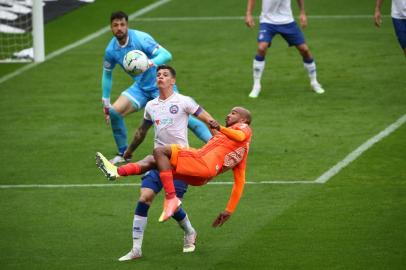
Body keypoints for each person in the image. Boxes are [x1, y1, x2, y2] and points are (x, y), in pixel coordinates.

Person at [96, 65, 215, 261]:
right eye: (158, 75)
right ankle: (136, 249)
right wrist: (129, 150)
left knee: (174, 206)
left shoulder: (184, 101)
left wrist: (221, 138)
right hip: (159, 162)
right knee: (144, 198)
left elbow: (208, 119)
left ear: (173, 81)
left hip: (180, 162)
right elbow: (141, 131)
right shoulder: (151, 105)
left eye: (165, 75)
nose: (160, 77)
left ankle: (189, 231)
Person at [97, 106, 252, 227]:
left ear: (243, 120)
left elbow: (239, 135)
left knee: (160, 151)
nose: (228, 115)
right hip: (201, 176)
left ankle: (171, 199)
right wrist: (229, 210)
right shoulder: (239, 151)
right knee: (153, 160)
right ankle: (116, 171)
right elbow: (240, 182)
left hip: (200, 162)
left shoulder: (243, 129)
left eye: (234, 113)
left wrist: (220, 127)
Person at [102, 11, 211, 164]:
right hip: (140, 87)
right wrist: (105, 101)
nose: (119, 28)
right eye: (115, 25)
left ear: (127, 26)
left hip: (160, 86)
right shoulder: (111, 50)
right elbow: (107, 74)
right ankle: (123, 153)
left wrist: (150, 63)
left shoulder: (141, 38)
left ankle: (214, 144)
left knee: (187, 120)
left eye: (122, 24)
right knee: (114, 112)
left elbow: (166, 55)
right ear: (111, 27)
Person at [245, 0, 325, 98]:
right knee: (262, 48)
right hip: (267, 21)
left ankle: (314, 82)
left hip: (287, 21)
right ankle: (256, 85)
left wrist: (302, 12)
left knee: (304, 49)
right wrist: (249, 13)